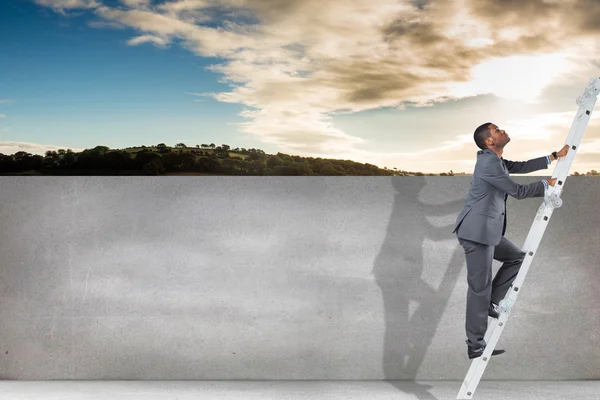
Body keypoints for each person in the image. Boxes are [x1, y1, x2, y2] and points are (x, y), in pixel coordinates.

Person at [453, 122, 569, 359]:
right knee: (479, 289)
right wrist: (544, 185)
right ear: (489, 141)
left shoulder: (496, 161)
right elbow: (517, 191)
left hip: (487, 231)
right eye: (497, 130)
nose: (502, 130)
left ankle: (491, 302)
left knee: (517, 258)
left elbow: (520, 166)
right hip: (476, 233)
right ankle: (475, 345)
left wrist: (553, 156)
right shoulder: (487, 161)